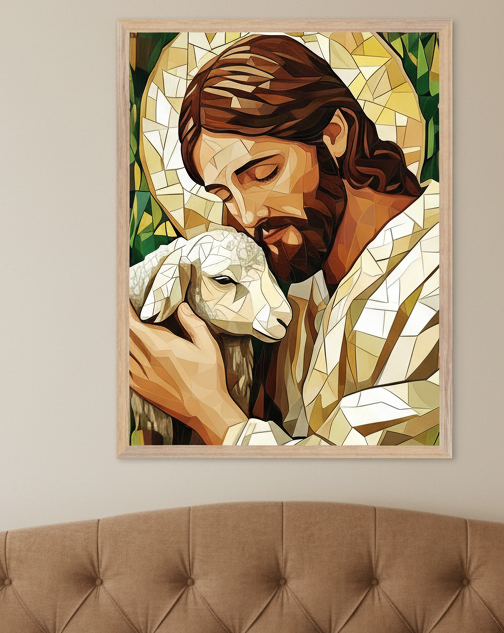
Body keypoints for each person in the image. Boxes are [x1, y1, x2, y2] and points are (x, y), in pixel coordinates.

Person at [128, 34, 441, 447]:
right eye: (223, 194)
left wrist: (207, 409)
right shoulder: (294, 292)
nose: (247, 216)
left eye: (261, 174)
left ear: (333, 135)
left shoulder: (443, 269)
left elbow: (361, 476)